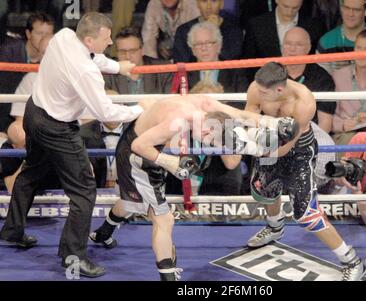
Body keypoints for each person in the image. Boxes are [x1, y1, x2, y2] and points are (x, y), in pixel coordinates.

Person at [89, 94, 300, 280]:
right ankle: (168, 277)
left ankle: (103, 233)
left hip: (149, 144)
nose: (206, 143)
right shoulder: (178, 121)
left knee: (132, 200)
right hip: (136, 153)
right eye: (209, 138)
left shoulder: (207, 105)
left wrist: (273, 122)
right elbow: (138, 146)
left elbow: (238, 114)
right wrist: (170, 162)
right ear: (208, 127)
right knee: (164, 218)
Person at [0, 12, 143, 278]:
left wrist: (117, 66)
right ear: (89, 39)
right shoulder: (86, 72)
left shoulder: (65, 36)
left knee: (31, 172)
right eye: (106, 37)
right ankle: (72, 256)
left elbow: (92, 55)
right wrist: (140, 108)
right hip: (56, 127)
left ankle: (12, 230)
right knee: (84, 190)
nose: (110, 40)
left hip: (35, 112)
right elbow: (106, 113)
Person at [244, 62, 365, 281]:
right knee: (266, 190)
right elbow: (249, 115)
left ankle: (351, 260)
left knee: (306, 213)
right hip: (270, 141)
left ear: (279, 89)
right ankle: (275, 228)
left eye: (263, 92)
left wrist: (256, 149)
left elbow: (287, 146)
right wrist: (249, 136)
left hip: (297, 150)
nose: (258, 92)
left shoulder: (303, 101)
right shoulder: (257, 87)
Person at [316, 0, 366, 77]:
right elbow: (323, 82)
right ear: (341, 8)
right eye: (347, 8)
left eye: (356, 10)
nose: (351, 14)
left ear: (365, 11)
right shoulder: (326, 42)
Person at [282, 26, 336, 133]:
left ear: (308, 48)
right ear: (282, 47)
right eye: (288, 44)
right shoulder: (270, 73)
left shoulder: (322, 78)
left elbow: (325, 124)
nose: (292, 49)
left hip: (311, 136)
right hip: (276, 136)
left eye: (298, 44)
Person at [173, 0, 243, 63]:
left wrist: (215, 31)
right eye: (204, 1)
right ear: (198, 4)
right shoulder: (183, 30)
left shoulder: (234, 29)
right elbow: (181, 63)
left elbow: (233, 60)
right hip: (194, 76)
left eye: (214, 1)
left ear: (221, 4)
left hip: (225, 76)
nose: (209, 7)